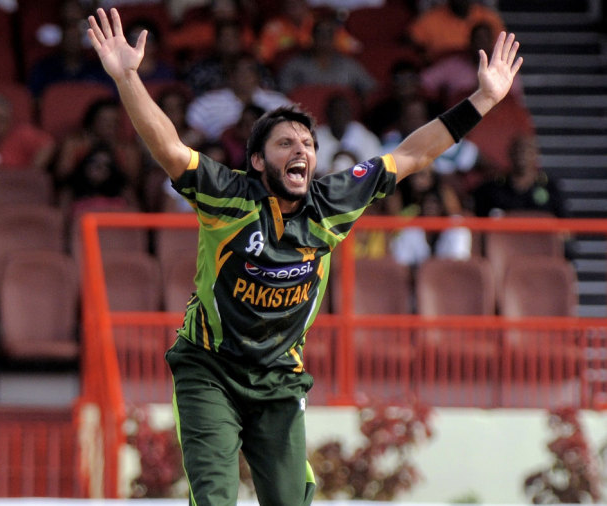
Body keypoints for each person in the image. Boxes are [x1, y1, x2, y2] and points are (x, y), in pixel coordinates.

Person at [87, 7, 522, 505]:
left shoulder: (333, 202)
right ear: (257, 160)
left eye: (309, 143)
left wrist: (484, 99)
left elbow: (411, 155)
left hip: (279, 377)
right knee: (213, 499)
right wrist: (126, 77)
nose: (302, 149)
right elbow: (167, 146)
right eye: (286, 142)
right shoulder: (227, 195)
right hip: (209, 369)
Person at [186, 54, 292, 141]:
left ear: (258, 76)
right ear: (230, 76)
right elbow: (193, 134)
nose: (244, 76)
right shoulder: (206, 103)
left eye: (249, 71)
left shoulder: (279, 103)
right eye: (239, 71)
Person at [275, 16, 377, 99]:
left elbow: (370, 88)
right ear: (313, 37)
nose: (324, 38)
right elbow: (283, 95)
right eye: (320, 33)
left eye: (329, 34)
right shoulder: (294, 65)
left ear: (334, 38)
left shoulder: (349, 64)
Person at [473, 132, 565, 218]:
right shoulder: (493, 188)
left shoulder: (550, 187)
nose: (522, 153)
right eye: (517, 149)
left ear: (537, 155)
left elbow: (564, 224)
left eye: (527, 149)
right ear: (510, 153)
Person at [408, 0, 505, 63]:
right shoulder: (429, 19)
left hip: (478, 69)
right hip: (440, 74)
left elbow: (499, 51)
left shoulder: (489, 18)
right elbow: (410, 46)